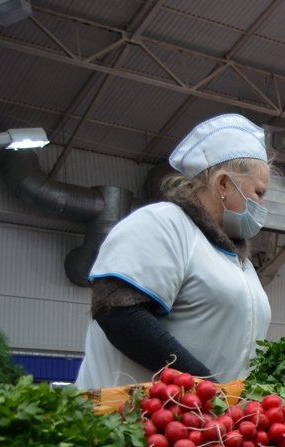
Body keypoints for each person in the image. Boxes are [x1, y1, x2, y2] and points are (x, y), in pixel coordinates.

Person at [75, 114, 273, 389]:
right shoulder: (163, 224)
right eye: (260, 192)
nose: (264, 204)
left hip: (204, 425)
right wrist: (206, 388)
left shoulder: (239, 263)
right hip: (134, 422)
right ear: (223, 184)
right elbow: (118, 313)